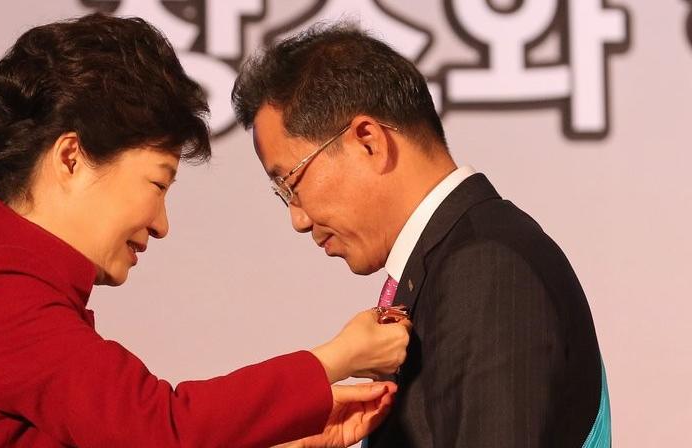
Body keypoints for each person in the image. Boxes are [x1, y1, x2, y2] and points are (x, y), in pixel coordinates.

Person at [0, 14, 413, 448]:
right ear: (71, 158)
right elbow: (160, 428)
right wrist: (335, 358)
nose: (161, 224)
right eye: (157, 183)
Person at [232, 22, 611, 447]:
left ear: (368, 142)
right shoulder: (457, 262)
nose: (298, 219)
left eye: (290, 183)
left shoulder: (486, 269)